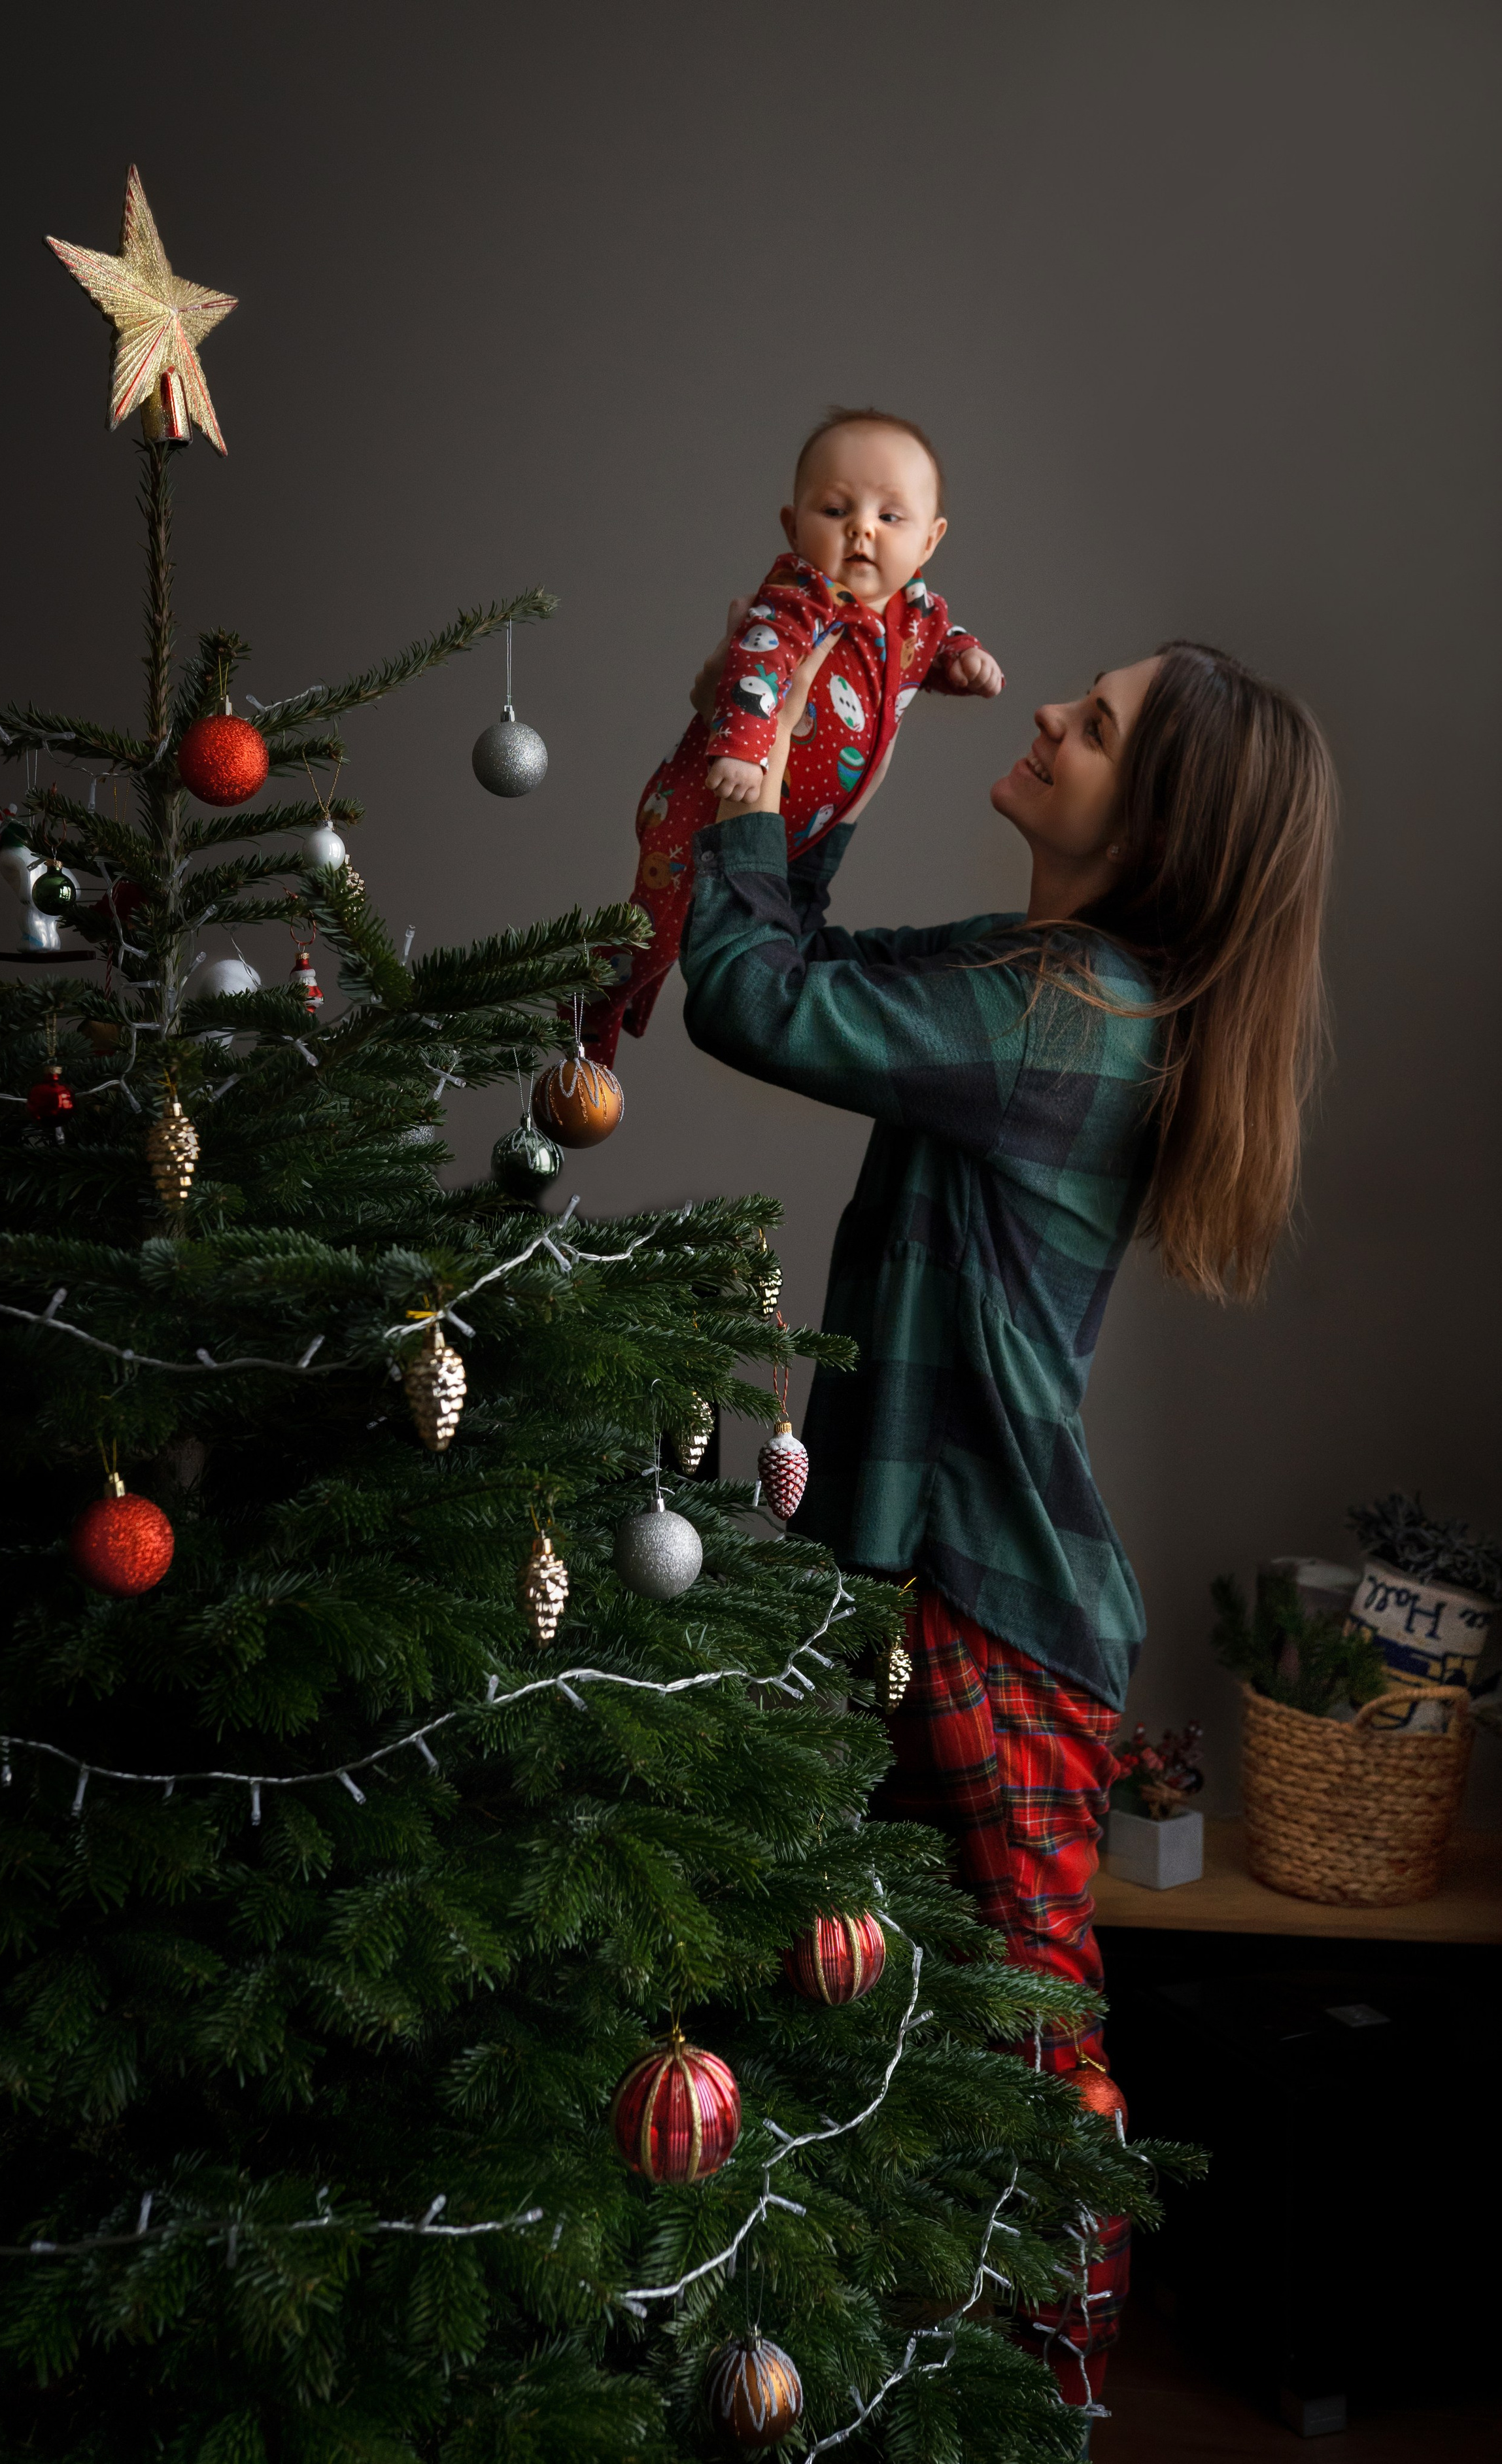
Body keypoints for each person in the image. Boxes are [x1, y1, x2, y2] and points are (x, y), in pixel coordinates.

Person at [678, 628, 1337, 2421]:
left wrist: (745, 792)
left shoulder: (1068, 1013)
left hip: (986, 1599)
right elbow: (800, 967)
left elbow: (747, 1001)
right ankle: (902, 2390)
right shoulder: (1037, 976)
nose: (1049, 713)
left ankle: (1047, 2409)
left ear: (1159, 826)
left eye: (1096, 725)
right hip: (929, 1584)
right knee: (898, 2015)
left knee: (1029, 2051)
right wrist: (814, 782)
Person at [579, 408, 1004, 1066]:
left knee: (698, 931)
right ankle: (589, 1016)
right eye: (835, 510)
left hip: (793, 826)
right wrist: (743, 751)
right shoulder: (799, 598)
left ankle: (628, 998)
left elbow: (931, 649)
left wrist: (964, 662)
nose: (862, 528)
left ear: (929, 541)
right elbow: (758, 663)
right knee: (656, 928)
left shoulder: (918, 615)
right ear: (793, 526)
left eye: (891, 516)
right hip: (704, 802)